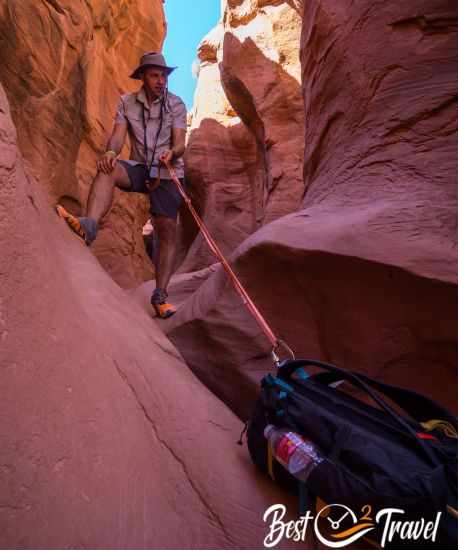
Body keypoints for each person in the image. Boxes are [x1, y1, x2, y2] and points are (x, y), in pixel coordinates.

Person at [56, 52, 187, 319]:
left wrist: (171, 154)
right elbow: (117, 137)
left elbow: (180, 143)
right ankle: (89, 226)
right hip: (140, 168)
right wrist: (110, 153)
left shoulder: (176, 104)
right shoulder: (127, 103)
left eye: (163, 75)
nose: (161, 80)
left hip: (168, 171)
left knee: (167, 232)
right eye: (154, 75)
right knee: (107, 170)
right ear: (142, 77)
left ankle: (160, 297)